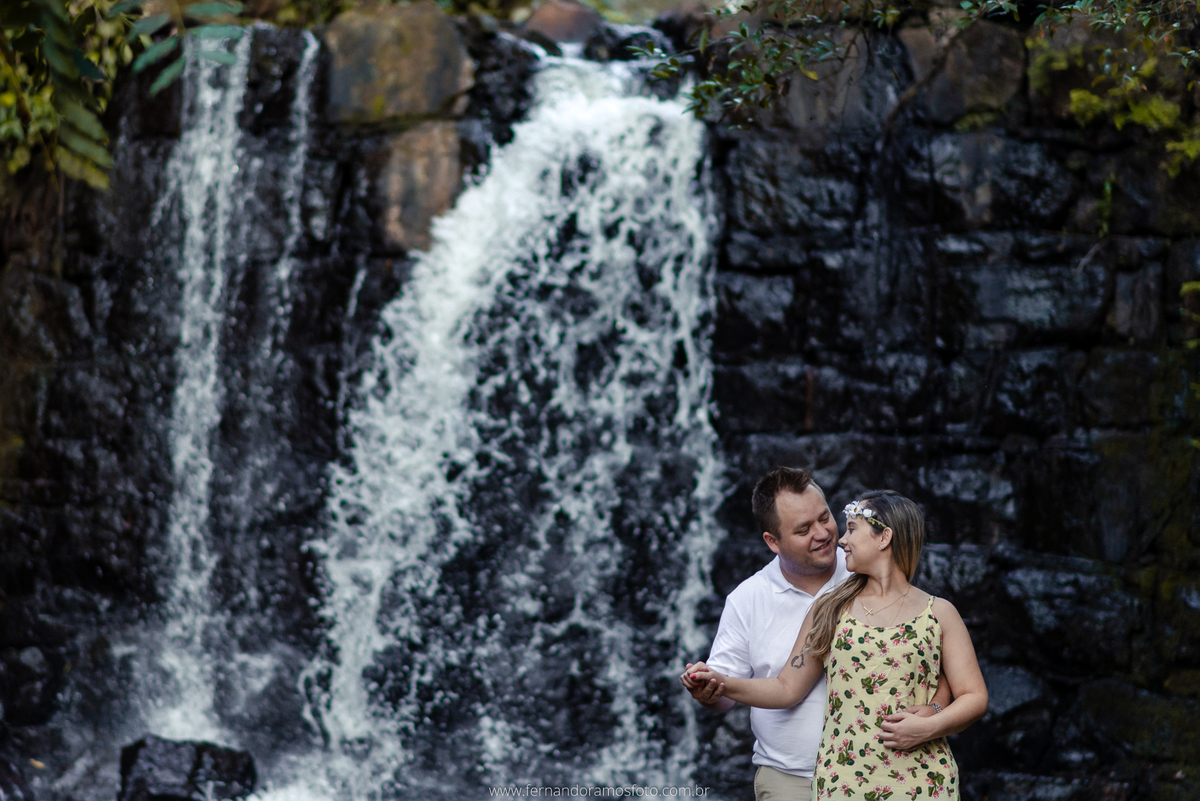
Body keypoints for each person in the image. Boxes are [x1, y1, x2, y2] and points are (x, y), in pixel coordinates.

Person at [684, 490, 988, 800]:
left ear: (884, 538)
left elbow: (973, 695)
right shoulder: (829, 609)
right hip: (843, 782)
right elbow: (786, 688)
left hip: (922, 781)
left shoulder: (939, 613)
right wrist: (721, 682)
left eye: (852, 530)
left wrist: (930, 725)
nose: (841, 540)